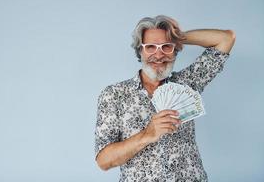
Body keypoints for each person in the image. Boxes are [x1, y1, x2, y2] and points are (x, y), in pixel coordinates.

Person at [94, 15, 236, 181]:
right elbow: (104, 161)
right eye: (151, 47)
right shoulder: (114, 95)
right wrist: (148, 134)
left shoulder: (187, 83)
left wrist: (178, 37)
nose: (159, 55)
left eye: (166, 47)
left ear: (175, 51)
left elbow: (226, 38)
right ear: (140, 50)